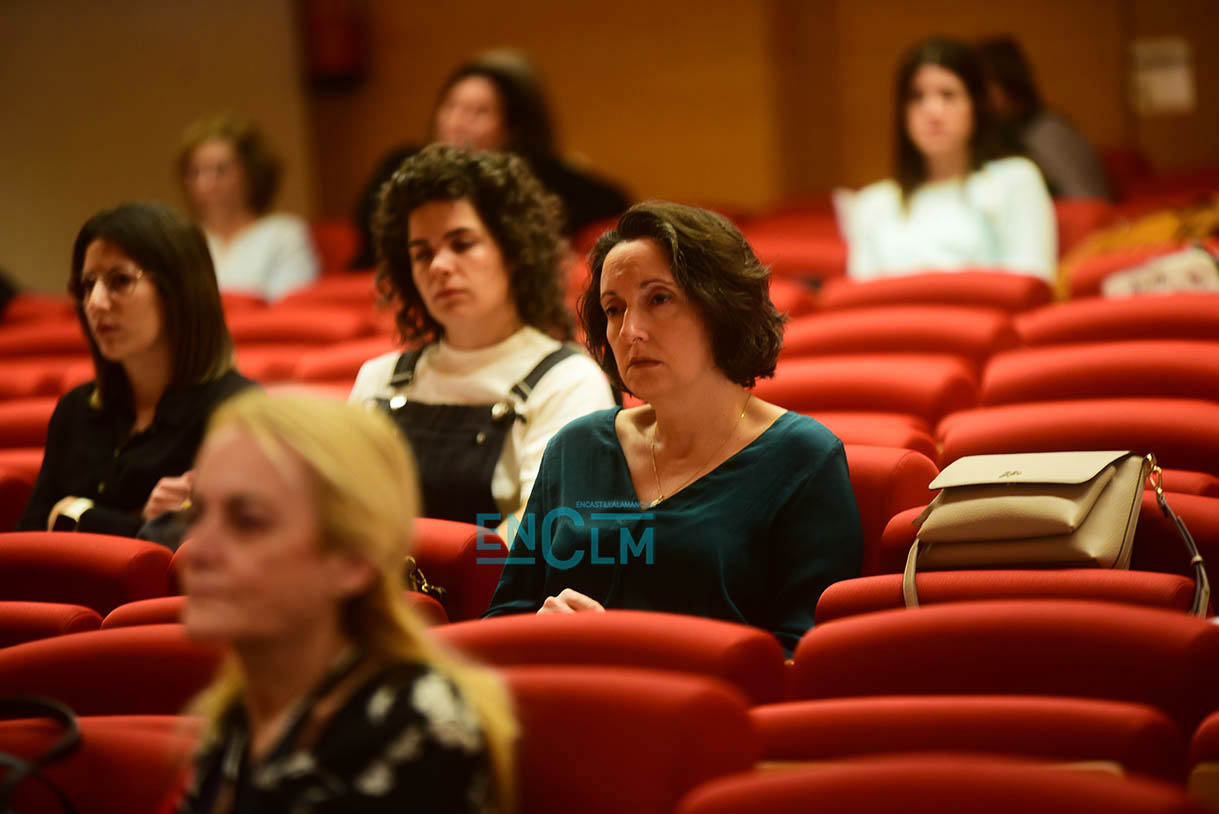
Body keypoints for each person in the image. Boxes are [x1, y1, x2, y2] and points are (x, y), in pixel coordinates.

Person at [483, 202, 864, 655]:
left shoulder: (804, 459)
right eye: (613, 309)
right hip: (563, 691)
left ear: (720, 307)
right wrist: (536, 631)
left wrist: (629, 650)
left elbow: (808, 659)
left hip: (714, 701)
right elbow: (503, 619)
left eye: (659, 299)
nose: (630, 330)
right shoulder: (575, 447)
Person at [177, 391, 515, 812]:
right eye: (195, 514)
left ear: (354, 560)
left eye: (247, 522)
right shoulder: (235, 718)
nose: (196, 550)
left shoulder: (415, 729)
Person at [349, 144, 615, 535]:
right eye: (422, 254)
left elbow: (543, 530)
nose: (439, 266)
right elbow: (347, 518)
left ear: (514, 251)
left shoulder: (568, 381)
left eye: (462, 244)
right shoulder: (378, 379)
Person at [17, 202, 253, 537]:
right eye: (87, 285)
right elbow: (31, 538)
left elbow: (214, 548)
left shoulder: (237, 412)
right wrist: (142, 522)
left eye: (120, 281)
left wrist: (77, 515)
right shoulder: (75, 411)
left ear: (179, 290)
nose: (95, 303)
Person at [351, 50, 629, 267]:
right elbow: (368, 227)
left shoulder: (531, 175)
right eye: (451, 106)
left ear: (511, 128)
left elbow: (613, 199)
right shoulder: (403, 163)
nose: (457, 122)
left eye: (479, 112)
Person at [846, 37, 1057, 282]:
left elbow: (1030, 286)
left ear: (975, 106)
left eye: (948, 95)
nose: (933, 111)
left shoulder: (1015, 180)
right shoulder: (873, 204)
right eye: (917, 97)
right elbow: (862, 298)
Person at [178, 112, 320, 300]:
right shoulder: (182, 241)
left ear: (251, 173)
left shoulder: (284, 235)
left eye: (220, 170)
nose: (205, 184)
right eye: (194, 172)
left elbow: (292, 306)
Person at [977, 36, 1112, 201]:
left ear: (1007, 82)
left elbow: (1086, 198)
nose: (978, 97)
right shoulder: (999, 130)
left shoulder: (1046, 129)